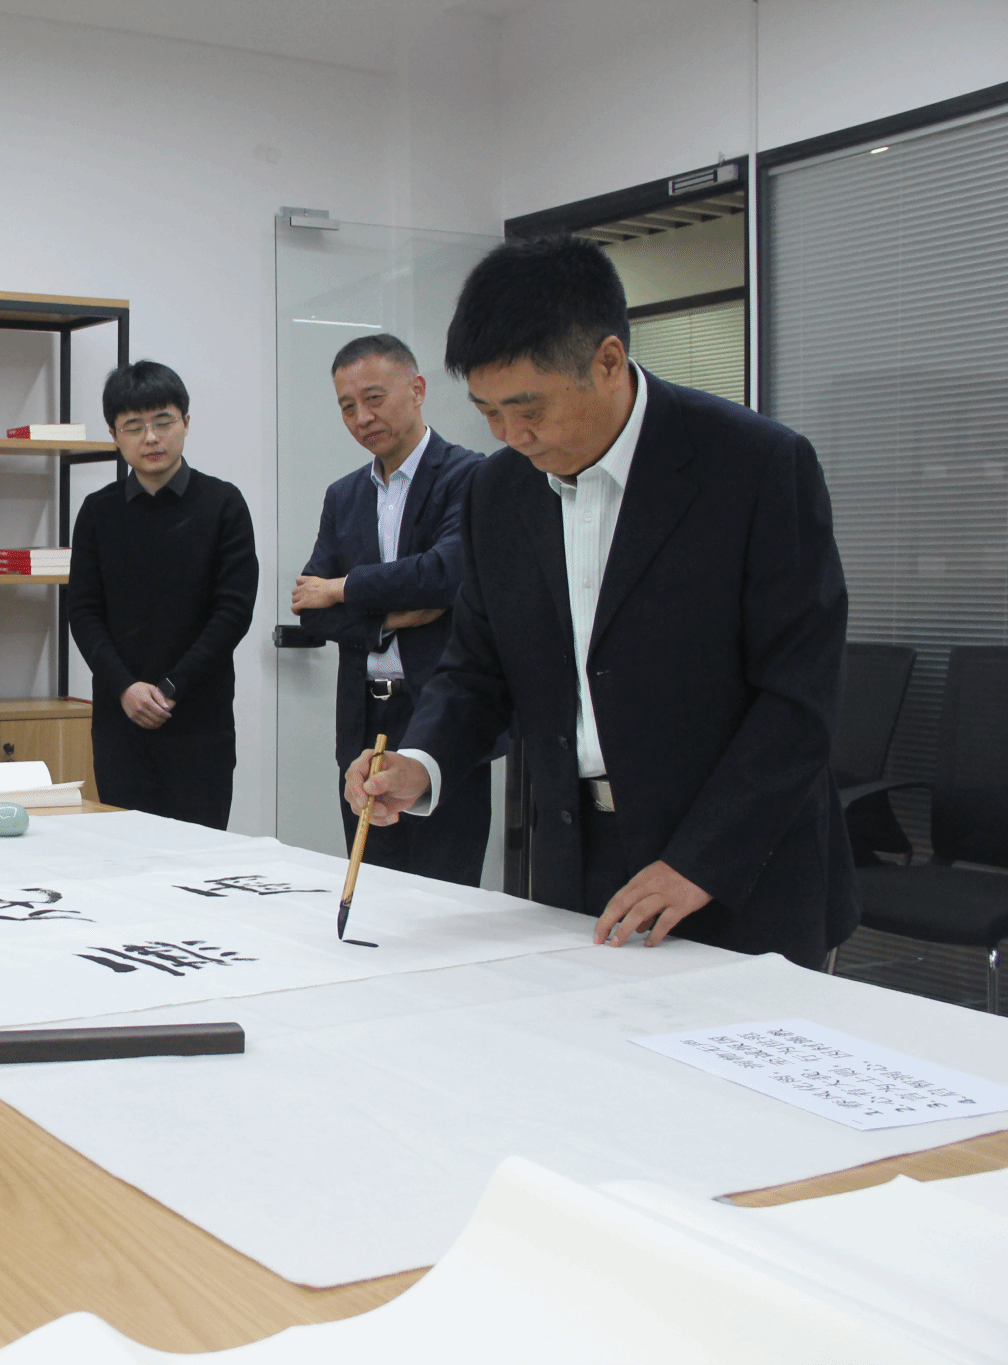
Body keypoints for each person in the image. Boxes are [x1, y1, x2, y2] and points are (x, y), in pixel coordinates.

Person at [347, 236, 855, 968]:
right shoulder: (497, 491)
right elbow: (479, 670)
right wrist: (421, 762)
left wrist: (698, 861)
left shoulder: (757, 467)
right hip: (577, 860)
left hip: (745, 869)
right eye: (488, 412)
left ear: (608, 361)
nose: (512, 435)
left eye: (528, 408)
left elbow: (798, 698)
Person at [293, 334, 488, 885]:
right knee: (372, 882)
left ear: (418, 389)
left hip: (442, 710)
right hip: (365, 715)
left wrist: (343, 588)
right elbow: (311, 608)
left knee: (443, 891)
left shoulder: (468, 475)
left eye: (374, 398)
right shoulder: (344, 495)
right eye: (347, 406)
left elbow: (445, 574)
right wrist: (391, 618)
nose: (362, 418)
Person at [68, 361, 258, 829]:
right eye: (134, 427)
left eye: (163, 422)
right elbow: (84, 612)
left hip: (200, 722)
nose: (150, 438)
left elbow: (233, 612)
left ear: (186, 423)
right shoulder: (97, 511)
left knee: (198, 856)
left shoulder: (224, 504)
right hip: (121, 721)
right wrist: (126, 688)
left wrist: (172, 688)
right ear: (114, 435)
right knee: (126, 852)